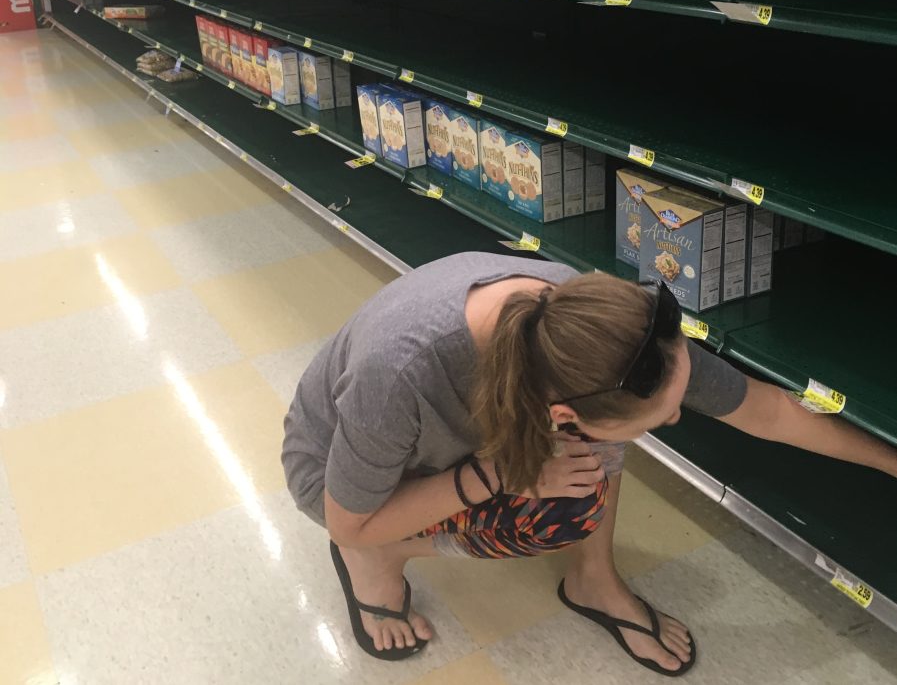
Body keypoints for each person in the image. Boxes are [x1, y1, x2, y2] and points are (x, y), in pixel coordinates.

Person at [281, 252, 897, 676]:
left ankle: (593, 581)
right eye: (665, 415)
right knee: (556, 511)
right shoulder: (401, 375)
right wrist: (502, 477)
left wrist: (890, 459)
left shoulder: (612, 334)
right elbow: (346, 520)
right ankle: (386, 559)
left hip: (474, 437)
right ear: (559, 416)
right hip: (342, 480)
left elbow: (766, 411)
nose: (679, 417)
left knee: (598, 449)